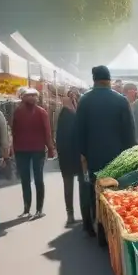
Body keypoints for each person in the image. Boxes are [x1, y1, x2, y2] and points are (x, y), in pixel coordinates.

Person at [75, 66, 136, 234]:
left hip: (92, 154)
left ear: (94, 80)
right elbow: (129, 131)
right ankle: (110, 228)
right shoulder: (121, 100)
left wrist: (82, 154)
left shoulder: (84, 100)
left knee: (92, 188)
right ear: (109, 80)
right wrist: (131, 153)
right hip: (117, 156)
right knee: (113, 190)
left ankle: (91, 224)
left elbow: (79, 130)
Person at [12, 88, 55, 220]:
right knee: (25, 179)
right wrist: (12, 148)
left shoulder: (41, 112)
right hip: (22, 149)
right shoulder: (18, 112)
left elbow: (47, 132)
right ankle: (27, 208)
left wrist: (51, 148)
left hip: (37, 149)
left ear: (37, 98)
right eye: (28, 96)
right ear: (23, 97)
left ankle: (38, 209)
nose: (31, 98)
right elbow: (14, 131)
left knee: (38, 179)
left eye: (33, 96)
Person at [55, 89, 87, 226]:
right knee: (77, 184)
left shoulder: (66, 113)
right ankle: (73, 215)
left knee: (78, 184)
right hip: (73, 154)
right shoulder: (68, 113)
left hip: (71, 154)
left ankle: (74, 215)